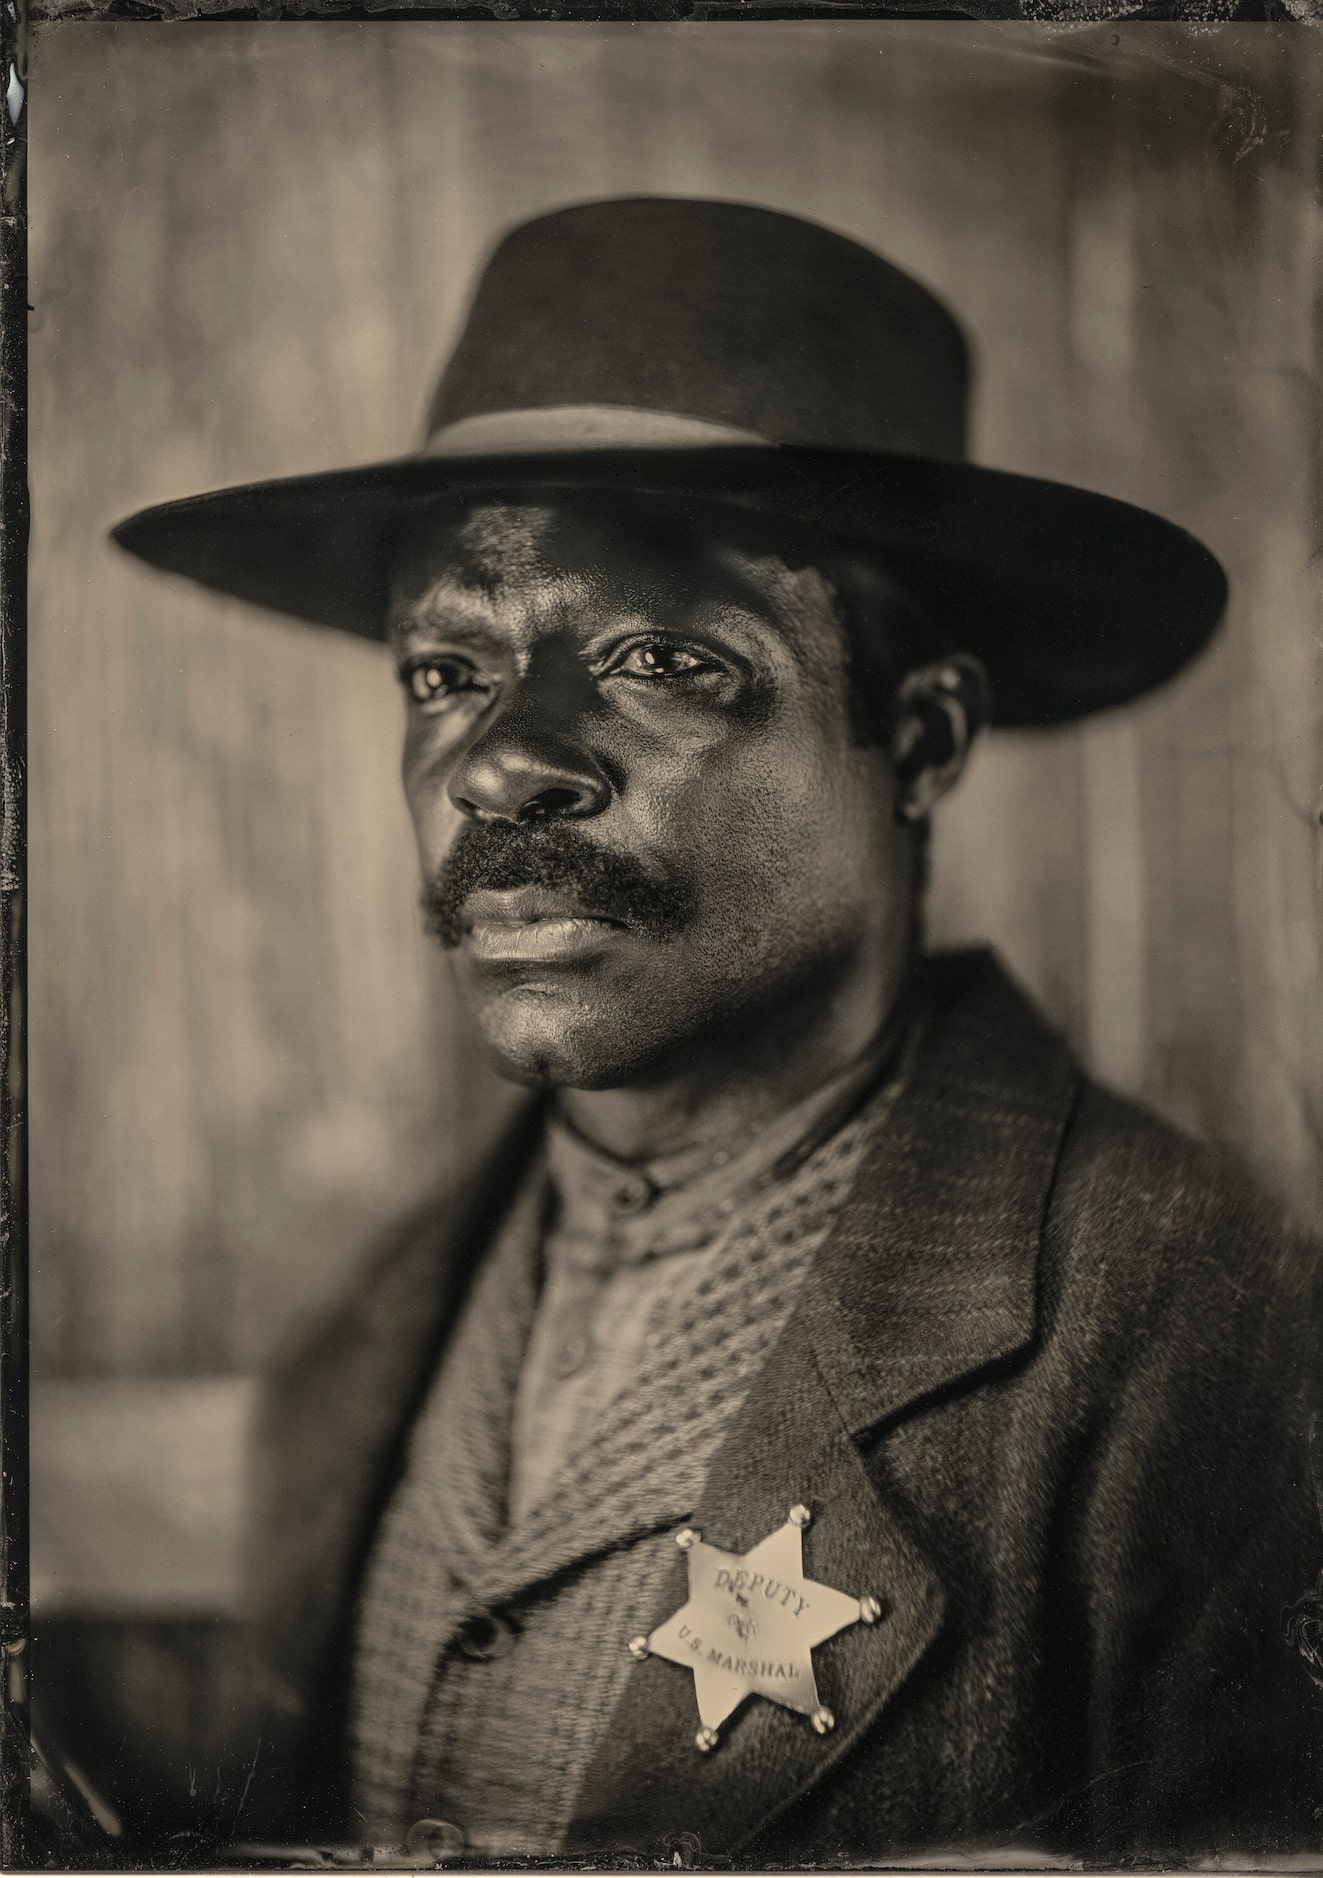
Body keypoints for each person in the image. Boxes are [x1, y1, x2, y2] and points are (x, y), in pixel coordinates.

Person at [113, 198, 1322, 1866]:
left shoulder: (1209, 1335)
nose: (498, 762)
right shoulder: (368, 1338)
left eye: (660, 655)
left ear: (916, 736)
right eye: (445, 670)